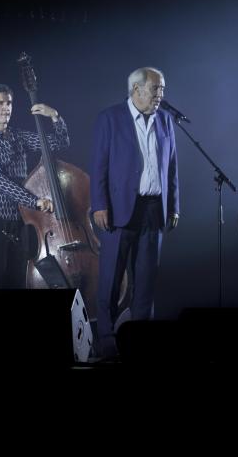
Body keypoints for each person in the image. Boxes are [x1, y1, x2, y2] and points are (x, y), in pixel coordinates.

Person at [90, 67, 179, 358]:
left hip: (154, 209)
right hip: (119, 210)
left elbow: (171, 167)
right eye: (156, 88)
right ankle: (107, 340)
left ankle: (141, 342)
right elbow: (99, 166)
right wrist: (99, 204)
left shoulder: (165, 120)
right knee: (112, 279)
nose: (160, 94)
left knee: (145, 280)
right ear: (136, 89)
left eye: (162, 88)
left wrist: (174, 205)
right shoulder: (110, 118)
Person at [0, 83, 65, 289]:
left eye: (9, 103)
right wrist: (35, 201)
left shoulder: (18, 136)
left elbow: (59, 143)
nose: (6, 108)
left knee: (20, 276)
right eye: (0, 103)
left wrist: (55, 116)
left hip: (22, 217)